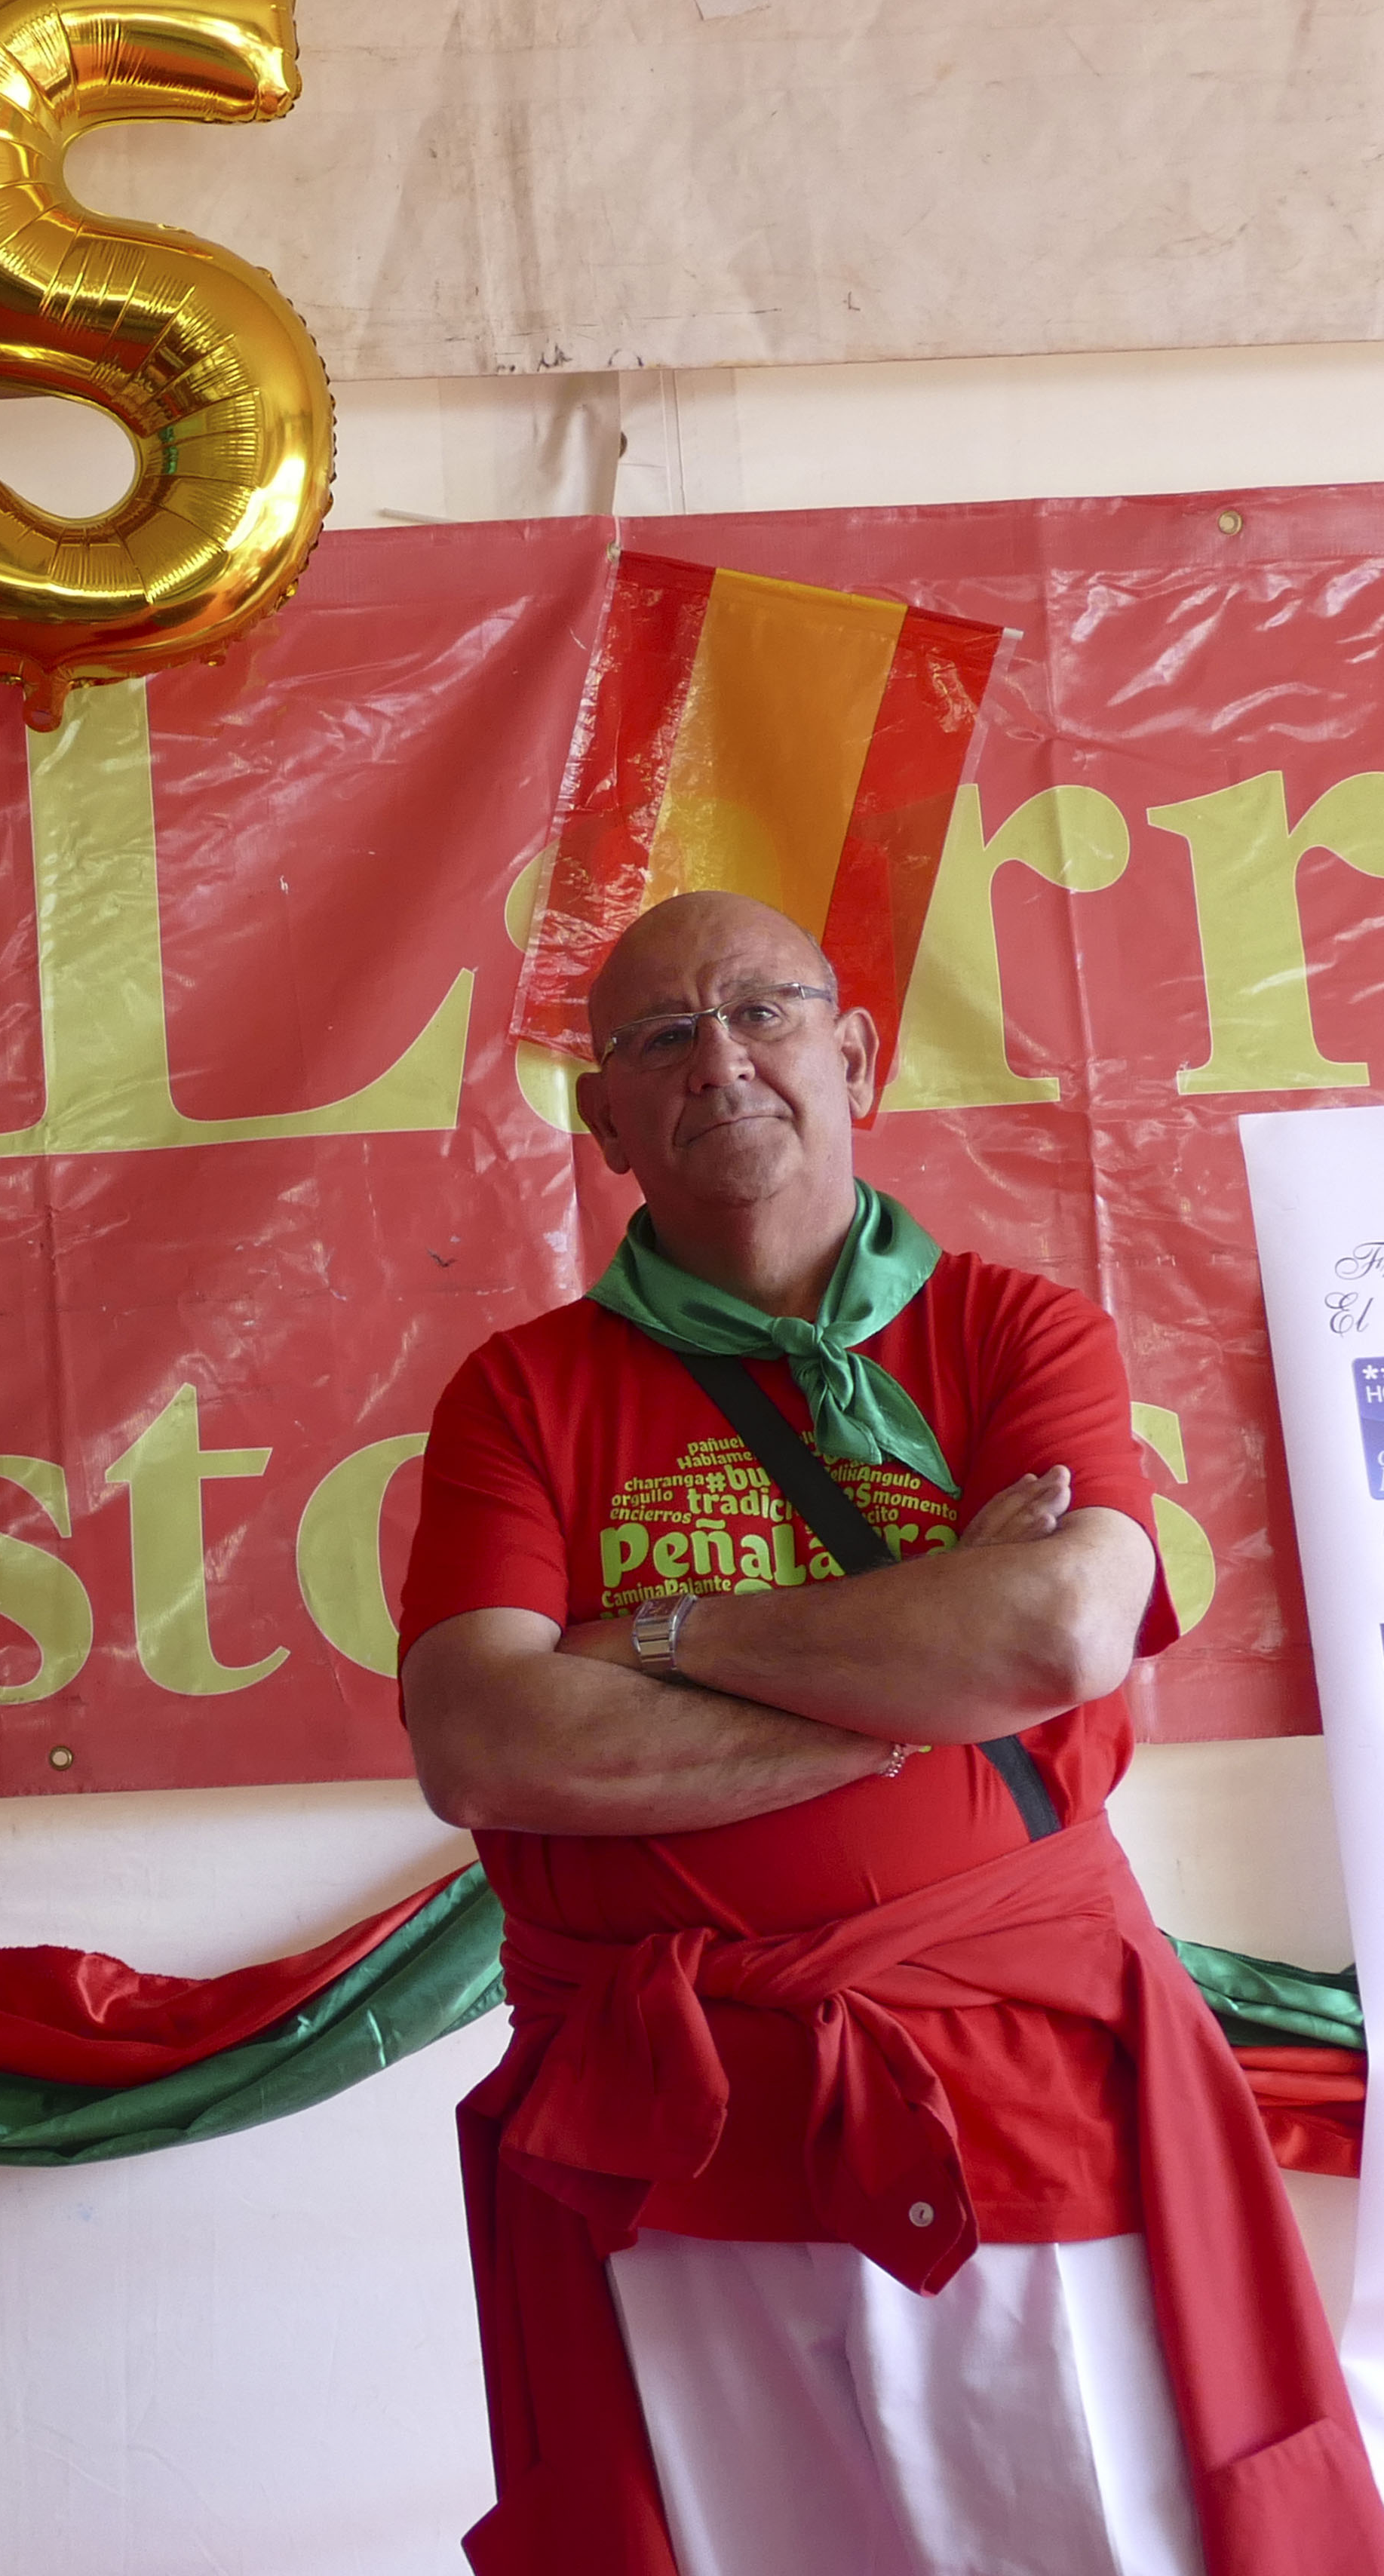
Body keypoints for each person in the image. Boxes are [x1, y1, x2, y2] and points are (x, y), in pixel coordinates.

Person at [395, 893, 1384, 2576]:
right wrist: (915, 1680)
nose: (720, 1060)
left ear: (852, 1057)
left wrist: (658, 1638)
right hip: (677, 2131)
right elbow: (486, 1744)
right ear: (605, 1121)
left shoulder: (1014, 1330)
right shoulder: (520, 1392)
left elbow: (1056, 1634)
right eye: (659, 1037)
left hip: (1016, 2089)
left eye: (762, 1010)